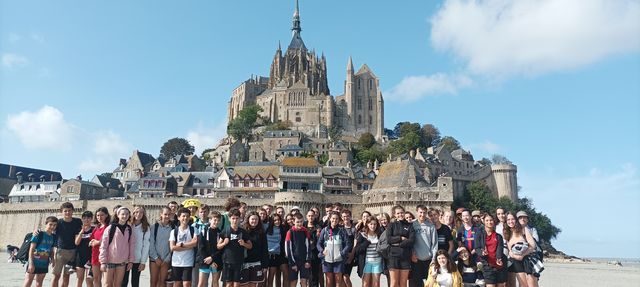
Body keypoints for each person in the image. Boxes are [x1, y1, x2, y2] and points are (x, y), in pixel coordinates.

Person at [99, 207, 135, 287]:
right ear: (118, 215)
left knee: (118, 285)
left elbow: (131, 245)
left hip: (122, 262)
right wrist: (103, 262)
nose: (125, 216)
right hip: (109, 260)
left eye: (127, 214)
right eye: (122, 214)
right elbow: (103, 246)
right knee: (107, 284)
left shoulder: (129, 229)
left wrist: (131, 261)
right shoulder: (110, 228)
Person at [52, 202, 83, 287]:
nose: (67, 213)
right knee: (56, 276)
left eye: (69, 210)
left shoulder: (77, 221)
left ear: (73, 211)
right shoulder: (58, 223)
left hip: (72, 252)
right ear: (62, 211)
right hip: (60, 252)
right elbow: (49, 230)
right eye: (65, 211)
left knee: (66, 276)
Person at [218, 209, 252, 287]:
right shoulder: (225, 230)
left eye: (237, 218)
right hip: (227, 262)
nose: (235, 220)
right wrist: (223, 243)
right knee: (228, 284)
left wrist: (244, 244)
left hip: (238, 262)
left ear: (240, 219)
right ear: (229, 219)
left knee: (237, 284)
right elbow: (218, 246)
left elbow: (250, 246)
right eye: (233, 218)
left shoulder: (243, 232)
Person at [317, 211, 350, 287]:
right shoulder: (324, 230)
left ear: (339, 220)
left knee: (338, 282)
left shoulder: (342, 230)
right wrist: (322, 251)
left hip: (338, 260)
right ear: (330, 219)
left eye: (337, 219)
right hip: (327, 260)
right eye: (333, 218)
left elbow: (348, 244)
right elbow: (319, 243)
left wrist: (342, 253)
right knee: (329, 282)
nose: (334, 220)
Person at [23, 216, 58, 287]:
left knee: (39, 283)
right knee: (28, 281)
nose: (52, 227)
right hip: (34, 262)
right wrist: (31, 263)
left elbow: (51, 250)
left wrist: (53, 259)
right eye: (50, 224)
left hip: (44, 264)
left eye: (54, 225)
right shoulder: (38, 234)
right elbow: (31, 249)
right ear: (46, 224)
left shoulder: (54, 237)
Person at [474, 214, 507, 287]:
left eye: (491, 220)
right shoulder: (479, 234)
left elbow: (500, 248)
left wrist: (499, 258)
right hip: (487, 265)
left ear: (494, 221)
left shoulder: (498, 236)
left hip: (499, 264)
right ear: (484, 222)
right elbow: (477, 248)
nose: (489, 222)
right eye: (487, 220)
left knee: (501, 285)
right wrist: (482, 252)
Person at [169, 208, 199, 287]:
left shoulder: (194, 230)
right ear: (178, 217)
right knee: (177, 284)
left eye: (187, 216)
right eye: (183, 216)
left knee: (187, 284)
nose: (185, 218)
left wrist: (181, 245)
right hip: (176, 261)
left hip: (188, 261)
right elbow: (172, 247)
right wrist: (189, 245)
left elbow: (195, 243)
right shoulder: (174, 231)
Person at [387, 205, 415, 287]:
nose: (400, 215)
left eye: (402, 212)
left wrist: (399, 244)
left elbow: (412, 241)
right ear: (395, 215)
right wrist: (401, 238)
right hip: (393, 256)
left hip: (405, 257)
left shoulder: (410, 226)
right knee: (394, 283)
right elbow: (389, 239)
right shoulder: (391, 225)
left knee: (403, 283)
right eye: (398, 213)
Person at [122, 206, 150, 287]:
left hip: (138, 258)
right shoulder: (128, 225)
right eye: (137, 212)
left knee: (135, 282)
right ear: (133, 213)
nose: (139, 214)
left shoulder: (145, 228)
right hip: (126, 258)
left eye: (141, 212)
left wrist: (143, 262)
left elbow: (146, 246)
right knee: (124, 281)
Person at [411, 206, 438, 287]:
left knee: (430, 283)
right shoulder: (412, 225)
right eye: (420, 212)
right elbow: (410, 242)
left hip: (428, 259)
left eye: (424, 213)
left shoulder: (431, 226)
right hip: (416, 259)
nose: (422, 215)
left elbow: (435, 243)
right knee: (417, 283)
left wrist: (433, 259)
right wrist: (412, 254)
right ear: (417, 212)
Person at [242, 211, 268, 287]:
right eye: (252, 219)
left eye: (256, 219)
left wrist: (265, 265)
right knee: (244, 285)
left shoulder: (261, 232)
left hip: (256, 262)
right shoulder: (243, 231)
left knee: (253, 284)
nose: (254, 221)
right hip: (244, 262)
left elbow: (264, 249)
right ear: (248, 220)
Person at [197, 211, 223, 287]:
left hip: (216, 261)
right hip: (205, 261)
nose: (216, 222)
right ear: (210, 220)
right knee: (201, 284)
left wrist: (212, 258)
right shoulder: (204, 231)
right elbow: (201, 248)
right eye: (214, 220)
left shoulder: (220, 233)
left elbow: (220, 249)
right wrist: (208, 260)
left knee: (215, 283)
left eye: (218, 220)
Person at [354, 218, 382, 287]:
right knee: (366, 284)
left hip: (377, 262)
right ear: (367, 224)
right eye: (371, 224)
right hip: (366, 262)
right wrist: (367, 242)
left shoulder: (379, 234)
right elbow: (357, 250)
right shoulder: (363, 235)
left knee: (376, 284)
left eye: (375, 224)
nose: (373, 226)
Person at [285, 213, 311, 287]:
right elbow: (288, 249)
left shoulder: (305, 231)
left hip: (304, 261)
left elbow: (308, 247)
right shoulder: (290, 232)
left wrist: (308, 260)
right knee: (293, 281)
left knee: (304, 281)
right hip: (294, 261)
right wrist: (292, 263)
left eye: (301, 221)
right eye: (297, 222)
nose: (300, 224)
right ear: (293, 222)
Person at [150, 207, 173, 287]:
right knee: (153, 282)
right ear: (161, 214)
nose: (167, 216)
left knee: (162, 282)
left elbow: (172, 245)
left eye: (169, 214)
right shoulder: (154, 227)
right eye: (165, 214)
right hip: (154, 259)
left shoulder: (173, 228)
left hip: (166, 260)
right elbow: (151, 244)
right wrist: (156, 258)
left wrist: (167, 259)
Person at [90, 207, 110, 287]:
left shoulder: (109, 227)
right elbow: (91, 239)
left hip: (105, 255)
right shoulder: (97, 227)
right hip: (95, 254)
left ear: (106, 215)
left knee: (106, 280)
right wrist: (92, 242)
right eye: (98, 215)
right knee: (96, 278)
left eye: (102, 215)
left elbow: (108, 240)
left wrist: (98, 242)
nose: (99, 217)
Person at [266, 214, 288, 287]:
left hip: (281, 254)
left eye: (278, 220)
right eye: (275, 220)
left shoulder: (283, 229)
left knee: (286, 273)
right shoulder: (267, 229)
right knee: (271, 276)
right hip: (272, 255)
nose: (277, 221)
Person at [191, 205, 211, 287]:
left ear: (208, 212)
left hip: (207, 255)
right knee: (195, 280)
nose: (203, 214)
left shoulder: (211, 225)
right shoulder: (194, 226)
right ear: (198, 213)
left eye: (205, 212)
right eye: (201, 212)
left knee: (205, 280)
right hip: (196, 255)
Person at [74, 211, 94, 287]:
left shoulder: (94, 229)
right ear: (82, 219)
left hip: (90, 256)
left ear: (91, 219)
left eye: (88, 218)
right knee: (79, 278)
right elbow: (76, 242)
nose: (86, 220)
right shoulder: (78, 229)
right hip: (80, 256)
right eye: (84, 218)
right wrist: (81, 233)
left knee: (89, 279)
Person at [304, 210, 322, 287]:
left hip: (314, 253)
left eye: (312, 216)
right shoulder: (303, 226)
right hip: (304, 253)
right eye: (309, 216)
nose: (311, 217)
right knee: (305, 276)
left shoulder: (318, 228)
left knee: (314, 275)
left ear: (315, 217)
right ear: (306, 216)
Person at [340, 210, 357, 287]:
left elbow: (355, 243)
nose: (345, 218)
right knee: (341, 278)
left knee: (346, 276)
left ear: (350, 217)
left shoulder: (354, 229)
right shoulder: (340, 228)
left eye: (347, 216)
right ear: (341, 217)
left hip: (349, 255)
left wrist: (351, 255)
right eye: (344, 216)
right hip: (341, 256)